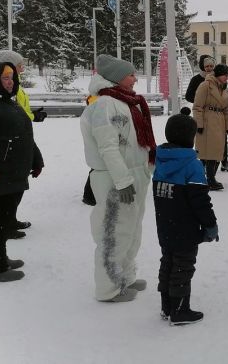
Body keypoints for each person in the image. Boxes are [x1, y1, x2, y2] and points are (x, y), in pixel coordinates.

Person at [81, 54, 156, 302]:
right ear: (115, 77)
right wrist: (123, 181)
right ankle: (108, 288)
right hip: (114, 178)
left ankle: (126, 276)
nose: (135, 79)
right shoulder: (103, 105)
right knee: (114, 232)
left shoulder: (128, 102)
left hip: (135, 173)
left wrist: (146, 167)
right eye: (131, 74)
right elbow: (108, 148)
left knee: (132, 229)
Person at [0, 61, 43, 283]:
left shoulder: (8, 103)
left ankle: (0, 258)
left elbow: (23, 134)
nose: (10, 82)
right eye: (5, 78)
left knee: (3, 219)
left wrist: (36, 158)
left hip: (12, 173)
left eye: (11, 78)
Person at [153, 107, 219, 325]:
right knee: (183, 267)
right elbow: (200, 201)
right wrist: (210, 225)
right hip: (186, 230)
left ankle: (167, 306)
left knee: (168, 263)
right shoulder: (192, 166)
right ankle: (179, 311)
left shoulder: (161, 161)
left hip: (165, 226)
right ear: (191, 138)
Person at [0, 50, 46, 234]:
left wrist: (33, 116)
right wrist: (32, 116)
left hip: (20, 137)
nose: (23, 67)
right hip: (8, 144)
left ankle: (8, 221)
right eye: (19, 64)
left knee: (15, 187)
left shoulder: (14, 85)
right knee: (8, 189)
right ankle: (4, 224)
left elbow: (19, 112)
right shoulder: (1, 89)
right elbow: (11, 114)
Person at [185, 56, 228, 173]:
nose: (208, 68)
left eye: (211, 66)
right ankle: (206, 174)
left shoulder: (223, 86)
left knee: (221, 143)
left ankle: (223, 162)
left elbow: (226, 109)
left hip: (219, 120)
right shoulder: (200, 82)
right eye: (206, 66)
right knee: (206, 147)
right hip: (206, 117)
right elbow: (195, 103)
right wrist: (204, 102)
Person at [192, 64, 228, 191]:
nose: (227, 78)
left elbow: (226, 109)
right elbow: (197, 106)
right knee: (207, 152)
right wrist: (199, 124)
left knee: (216, 151)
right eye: (225, 75)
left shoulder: (225, 89)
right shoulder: (205, 85)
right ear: (218, 75)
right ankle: (208, 179)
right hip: (207, 120)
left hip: (219, 121)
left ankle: (208, 178)